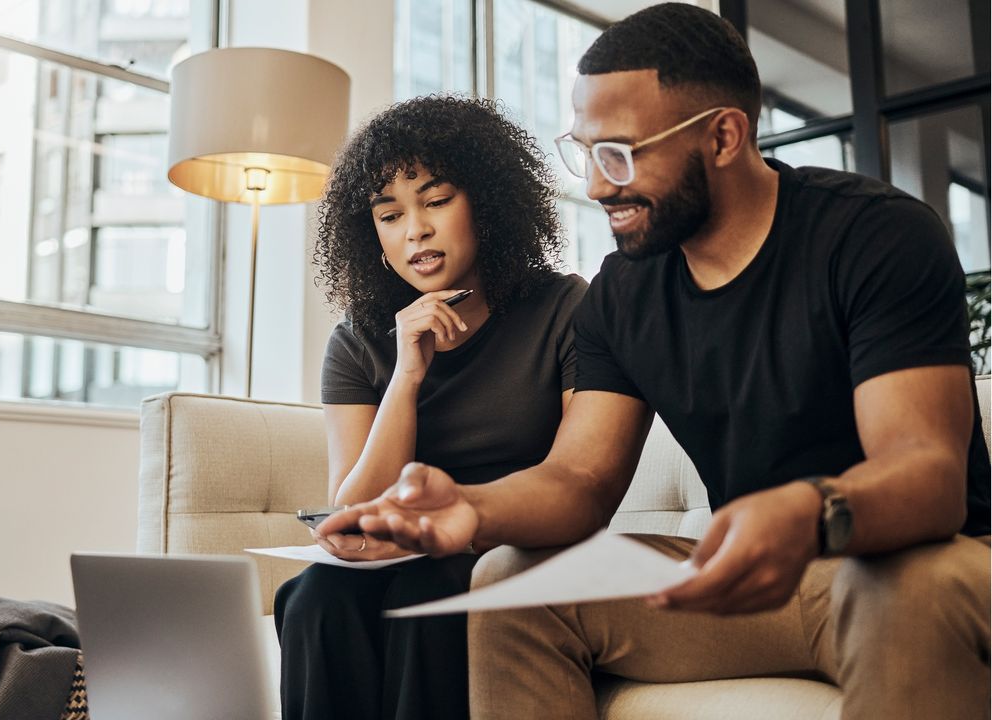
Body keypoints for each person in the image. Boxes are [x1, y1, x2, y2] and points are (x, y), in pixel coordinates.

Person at [320, 5, 992, 720]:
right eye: (584, 153)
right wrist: (471, 507)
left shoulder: (872, 237)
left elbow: (927, 475)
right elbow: (578, 480)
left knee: (904, 586)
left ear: (724, 136)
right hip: (747, 584)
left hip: (918, 560)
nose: (596, 186)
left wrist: (805, 510)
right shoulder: (624, 293)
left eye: (620, 153)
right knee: (512, 581)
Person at [274, 95, 588, 720]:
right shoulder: (358, 340)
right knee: (316, 595)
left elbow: (577, 479)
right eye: (389, 215)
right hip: (401, 550)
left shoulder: (563, 309)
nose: (414, 228)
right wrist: (407, 375)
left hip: (513, 544)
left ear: (488, 203)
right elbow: (353, 510)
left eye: (437, 201)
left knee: (432, 591)